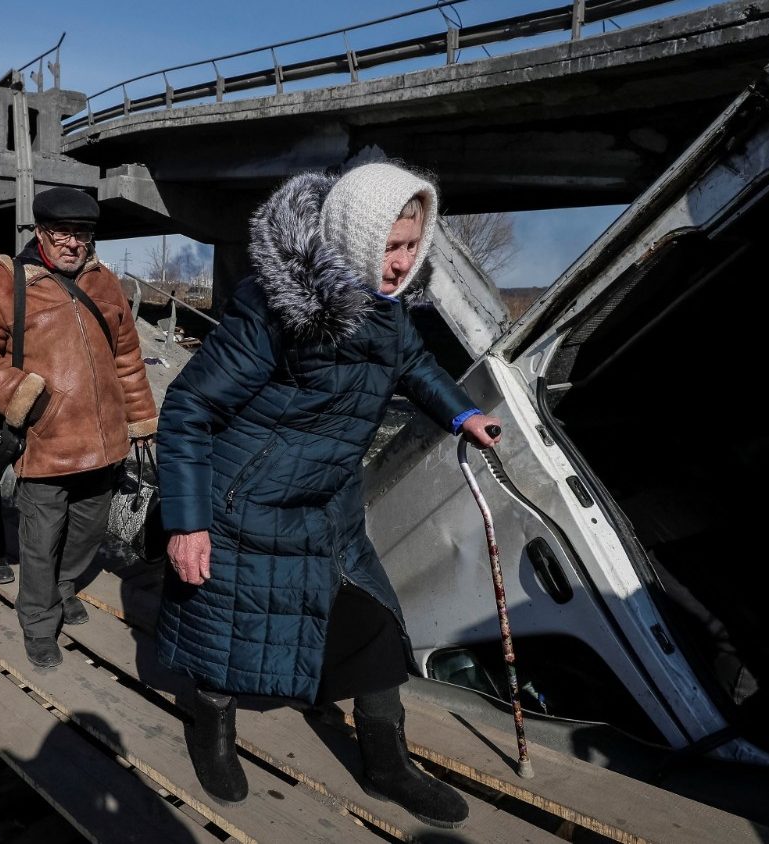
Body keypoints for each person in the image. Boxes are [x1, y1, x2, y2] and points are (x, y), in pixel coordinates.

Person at [154, 162, 503, 829]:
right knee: (231, 633)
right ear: (356, 237)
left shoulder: (389, 312)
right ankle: (213, 731)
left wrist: (463, 414)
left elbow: (413, 366)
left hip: (330, 507)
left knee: (373, 627)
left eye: (411, 246)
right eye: (390, 246)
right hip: (246, 503)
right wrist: (187, 523)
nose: (401, 263)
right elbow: (189, 406)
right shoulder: (275, 308)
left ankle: (387, 763)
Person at [0, 188, 157, 670]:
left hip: (104, 443)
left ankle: (65, 588)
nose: (71, 243)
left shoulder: (106, 282)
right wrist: (23, 396)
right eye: (61, 233)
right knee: (40, 541)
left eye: (80, 234)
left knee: (88, 530)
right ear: (40, 232)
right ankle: (39, 623)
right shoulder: (7, 281)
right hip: (44, 443)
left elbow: (127, 358)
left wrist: (141, 418)